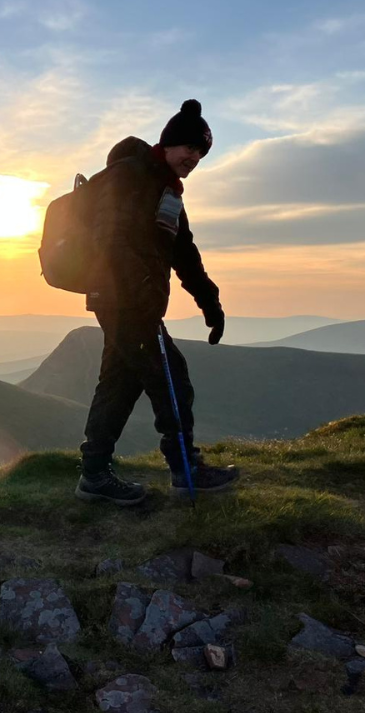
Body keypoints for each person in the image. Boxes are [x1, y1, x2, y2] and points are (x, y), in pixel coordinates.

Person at [74, 99, 239, 506]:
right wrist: (142, 286)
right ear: (167, 143)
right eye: (190, 148)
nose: (194, 158)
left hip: (130, 301)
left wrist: (210, 302)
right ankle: (186, 470)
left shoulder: (165, 188)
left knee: (120, 382)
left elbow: (184, 251)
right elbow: (109, 238)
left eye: (201, 153)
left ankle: (94, 475)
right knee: (171, 378)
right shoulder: (130, 176)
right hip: (125, 300)